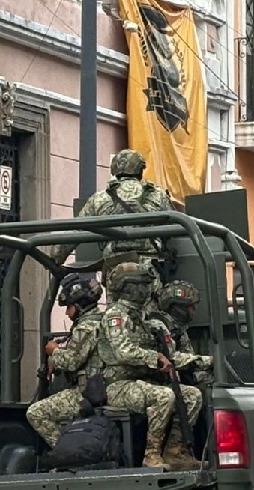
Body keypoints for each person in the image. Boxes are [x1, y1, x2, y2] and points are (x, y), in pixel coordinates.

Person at [98, 262, 202, 469]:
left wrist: (203, 361)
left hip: (144, 383)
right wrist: (155, 358)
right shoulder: (115, 316)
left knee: (192, 396)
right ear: (130, 287)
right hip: (118, 386)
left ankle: (174, 452)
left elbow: (171, 356)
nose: (148, 289)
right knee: (164, 396)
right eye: (143, 284)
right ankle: (151, 455)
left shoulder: (148, 320)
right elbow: (124, 351)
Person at [26, 273, 104, 448]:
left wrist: (53, 351)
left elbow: (71, 362)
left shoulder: (86, 327)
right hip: (95, 390)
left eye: (69, 307)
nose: (68, 313)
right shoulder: (97, 322)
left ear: (78, 306)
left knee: (36, 412)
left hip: (87, 393)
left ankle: (68, 450)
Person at [77, 149, 175, 269]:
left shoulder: (100, 198)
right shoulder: (157, 195)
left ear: (114, 169)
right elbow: (176, 228)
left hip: (114, 268)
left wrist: (54, 259)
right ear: (140, 169)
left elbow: (76, 230)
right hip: (150, 267)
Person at [147, 280, 214, 388]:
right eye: (191, 307)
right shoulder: (158, 326)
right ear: (179, 308)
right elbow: (172, 358)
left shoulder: (178, 329)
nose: (194, 310)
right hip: (159, 382)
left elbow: (189, 357)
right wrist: (208, 360)